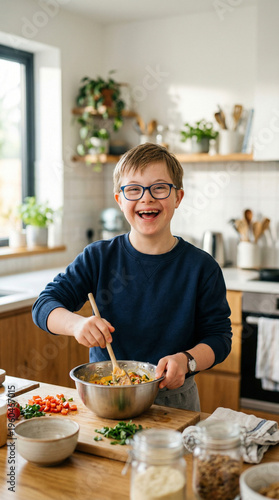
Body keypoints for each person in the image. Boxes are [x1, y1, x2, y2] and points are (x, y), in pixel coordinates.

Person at [32, 143, 232, 411]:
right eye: (133, 189)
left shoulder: (202, 267)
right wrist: (76, 325)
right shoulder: (98, 257)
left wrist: (187, 360)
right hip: (105, 395)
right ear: (119, 200)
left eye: (159, 188)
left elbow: (219, 337)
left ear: (178, 197)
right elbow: (44, 305)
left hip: (175, 402)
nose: (146, 198)